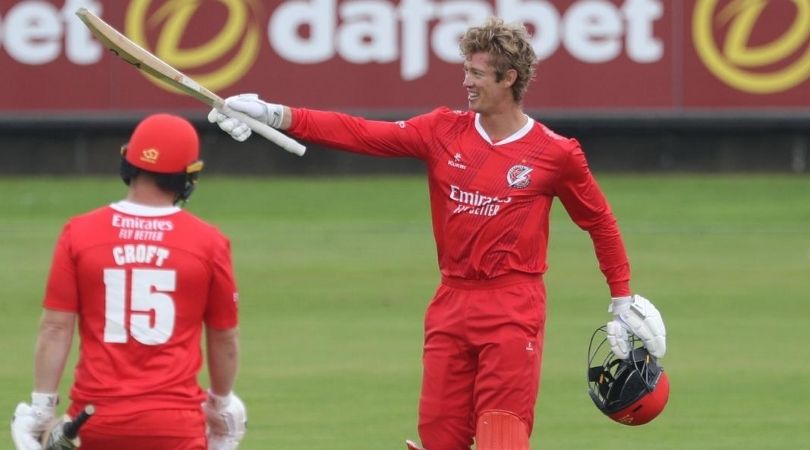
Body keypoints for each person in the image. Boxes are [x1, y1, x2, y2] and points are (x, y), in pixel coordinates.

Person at [209, 16, 666, 450]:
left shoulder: (555, 153)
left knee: (501, 436)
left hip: (513, 307)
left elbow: (599, 221)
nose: (466, 81)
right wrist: (274, 114)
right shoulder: (442, 130)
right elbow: (362, 133)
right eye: (465, 70)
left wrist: (621, 296)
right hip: (449, 305)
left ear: (509, 79)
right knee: (438, 438)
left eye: (477, 73)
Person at [11, 114, 247, 450]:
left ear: (127, 165)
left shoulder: (79, 232)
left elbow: (55, 327)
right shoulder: (209, 242)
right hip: (175, 424)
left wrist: (41, 407)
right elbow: (224, 337)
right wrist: (221, 404)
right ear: (188, 177)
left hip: (93, 421)